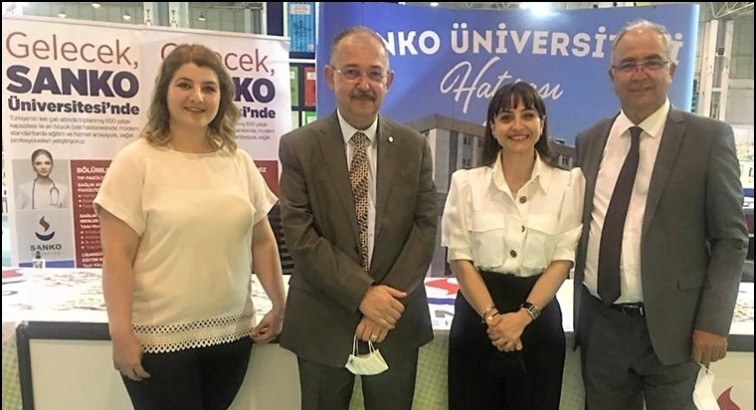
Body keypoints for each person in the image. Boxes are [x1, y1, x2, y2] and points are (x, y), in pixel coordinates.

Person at [94, 44, 286, 410]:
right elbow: (117, 255)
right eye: (184, 85)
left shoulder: (239, 162)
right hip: (158, 341)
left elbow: (262, 242)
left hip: (231, 335)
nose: (197, 97)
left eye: (208, 88)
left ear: (221, 98)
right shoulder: (135, 162)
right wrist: (120, 333)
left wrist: (279, 305)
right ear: (165, 92)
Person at [573, 19, 749, 410]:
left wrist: (713, 322)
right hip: (602, 329)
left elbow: (731, 239)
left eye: (652, 62)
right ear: (612, 76)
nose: (640, 74)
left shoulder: (708, 138)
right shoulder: (590, 140)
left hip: (677, 329)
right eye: (628, 64)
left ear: (671, 69)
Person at [278, 26, 437, 410]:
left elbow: (425, 226)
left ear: (388, 81)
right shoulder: (299, 147)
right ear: (330, 76)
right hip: (322, 320)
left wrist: (385, 304)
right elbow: (300, 235)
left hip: (394, 321)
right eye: (351, 72)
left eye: (374, 73)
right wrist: (364, 294)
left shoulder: (415, 146)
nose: (364, 84)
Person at [441, 82, 583, 410]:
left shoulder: (568, 184)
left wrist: (521, 318)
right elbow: (459, 258)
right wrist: (494, 319)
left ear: (542, 123)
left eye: (528, 115)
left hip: (538, 317)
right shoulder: (466, 183)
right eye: (506, 117)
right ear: (492, 127)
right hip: (478, 317)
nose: (517, 126)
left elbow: (563, 259)